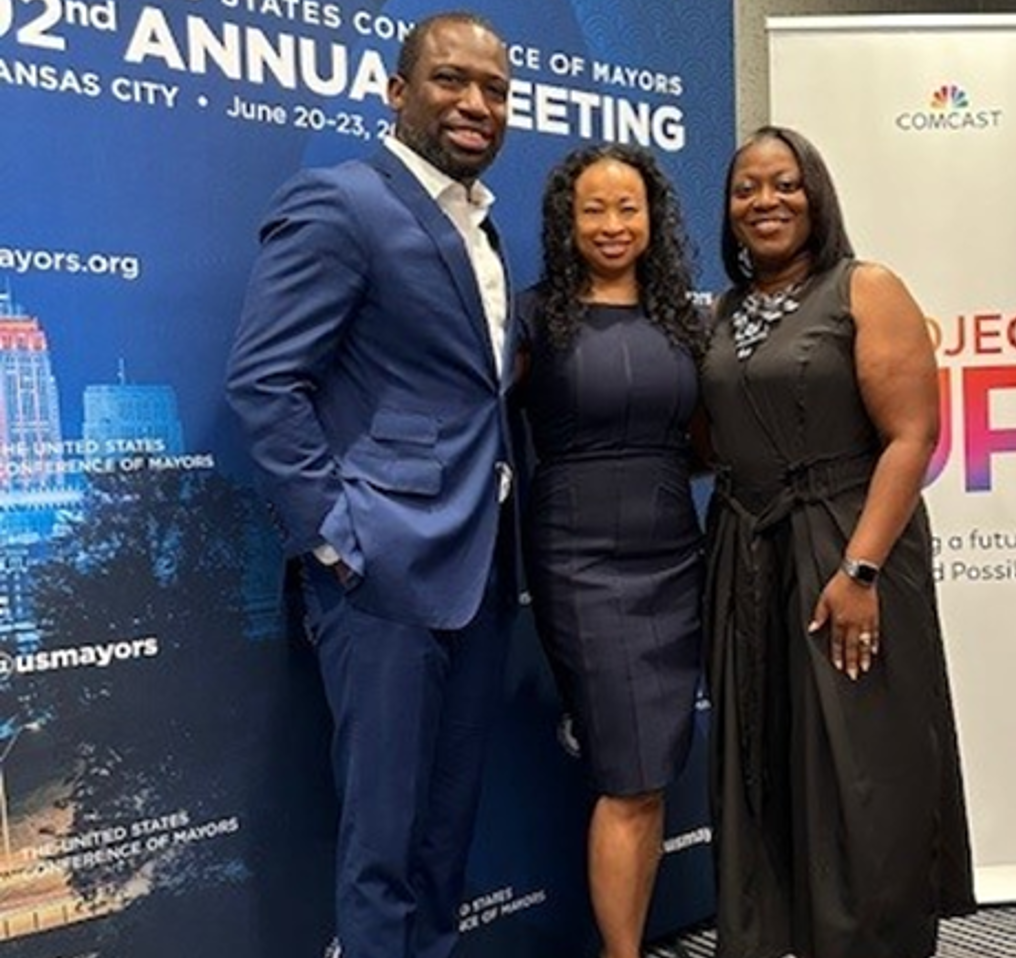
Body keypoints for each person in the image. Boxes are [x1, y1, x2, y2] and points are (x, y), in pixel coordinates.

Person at [225, 12, 518, 958]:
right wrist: (337, 538)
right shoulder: (341, 203)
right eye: (450, 81)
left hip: (477, 570)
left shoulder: (486, 228)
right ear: (397, 94)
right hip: (383, 575)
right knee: (383, 847)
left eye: (496, 90)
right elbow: (265, 381)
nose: (476, 103)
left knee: (444, 838)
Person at [698, 125, 977, 958]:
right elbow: (712, 439)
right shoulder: (722, 311)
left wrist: (859, 568)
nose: (766, 201)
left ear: (817, 195)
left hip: (848, 546)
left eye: (786, 184)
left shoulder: (866, 287)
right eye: (747, 188)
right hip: (749, 552)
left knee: (862, 767)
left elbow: (910, 438)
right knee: (766, 763)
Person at [518, 143, 706, 958]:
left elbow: (706, 440)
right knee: (626, 772)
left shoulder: (684, 320)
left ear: (653, 217)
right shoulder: (531, 316)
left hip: (673, 551)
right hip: (578, 558)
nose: (612, 224)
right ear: (566, 219)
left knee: (652, 767)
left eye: (627, 207)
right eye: (592, 208)